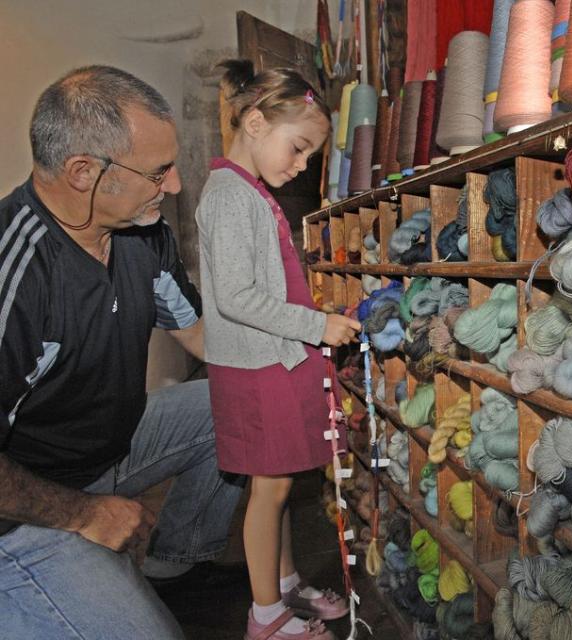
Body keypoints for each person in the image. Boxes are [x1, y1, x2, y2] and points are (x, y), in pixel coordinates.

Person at [0, 65, 244, 640]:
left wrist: (294, 357)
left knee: (230, 401)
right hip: (22, 508)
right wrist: (84, 514)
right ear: (83, 172)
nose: (177, 186)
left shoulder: (142, 232)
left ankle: (178, 562)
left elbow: (199, 335)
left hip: (110, 449)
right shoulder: (17, 275)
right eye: (158, 172)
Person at [196, 60, 361, 640]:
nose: (299, 167)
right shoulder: (228, 196)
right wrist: (315, 325)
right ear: (258, 122)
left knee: (282, 482)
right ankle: (265, 618)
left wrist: (313, 325)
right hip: (255, 367)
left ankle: (284, 586)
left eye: (309, 158)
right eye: (297, 150)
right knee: (267, 492)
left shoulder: (249, 192)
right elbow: (239, 297)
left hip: (273, 360)